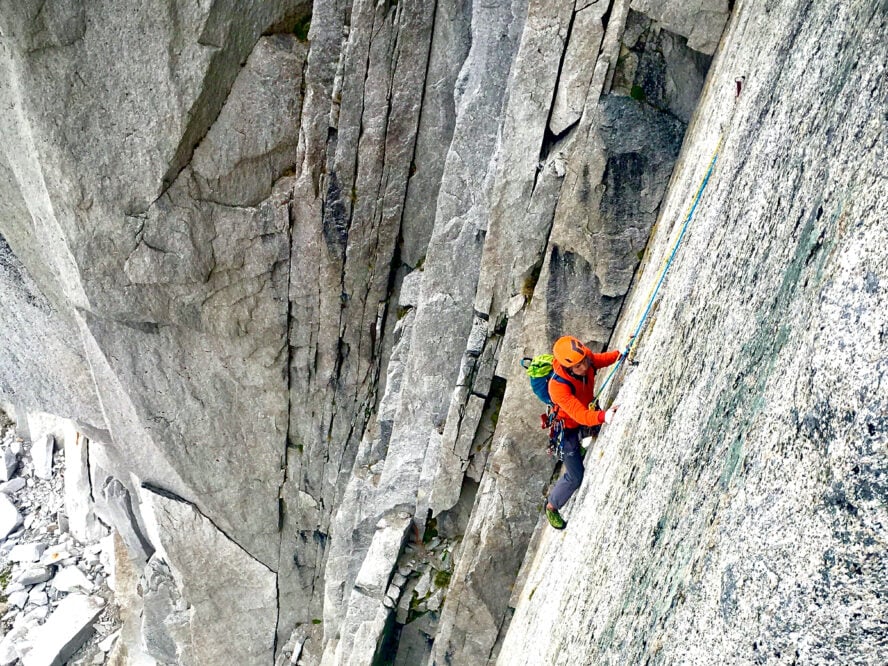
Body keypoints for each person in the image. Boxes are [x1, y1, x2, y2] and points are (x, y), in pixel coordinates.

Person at [545, 335, 621, 529]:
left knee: (594, 424)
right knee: (576, 476)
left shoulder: (585, 357)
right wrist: (603, 416)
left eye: (584, 362)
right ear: (567, 368)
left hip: (586, 412)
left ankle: (585, 441)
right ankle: (552, 506)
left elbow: (599, 360)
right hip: (566, 431)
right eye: (578, 366)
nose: (584, 367)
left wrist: (620, 354)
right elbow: (579, 415)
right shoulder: (557, 387)